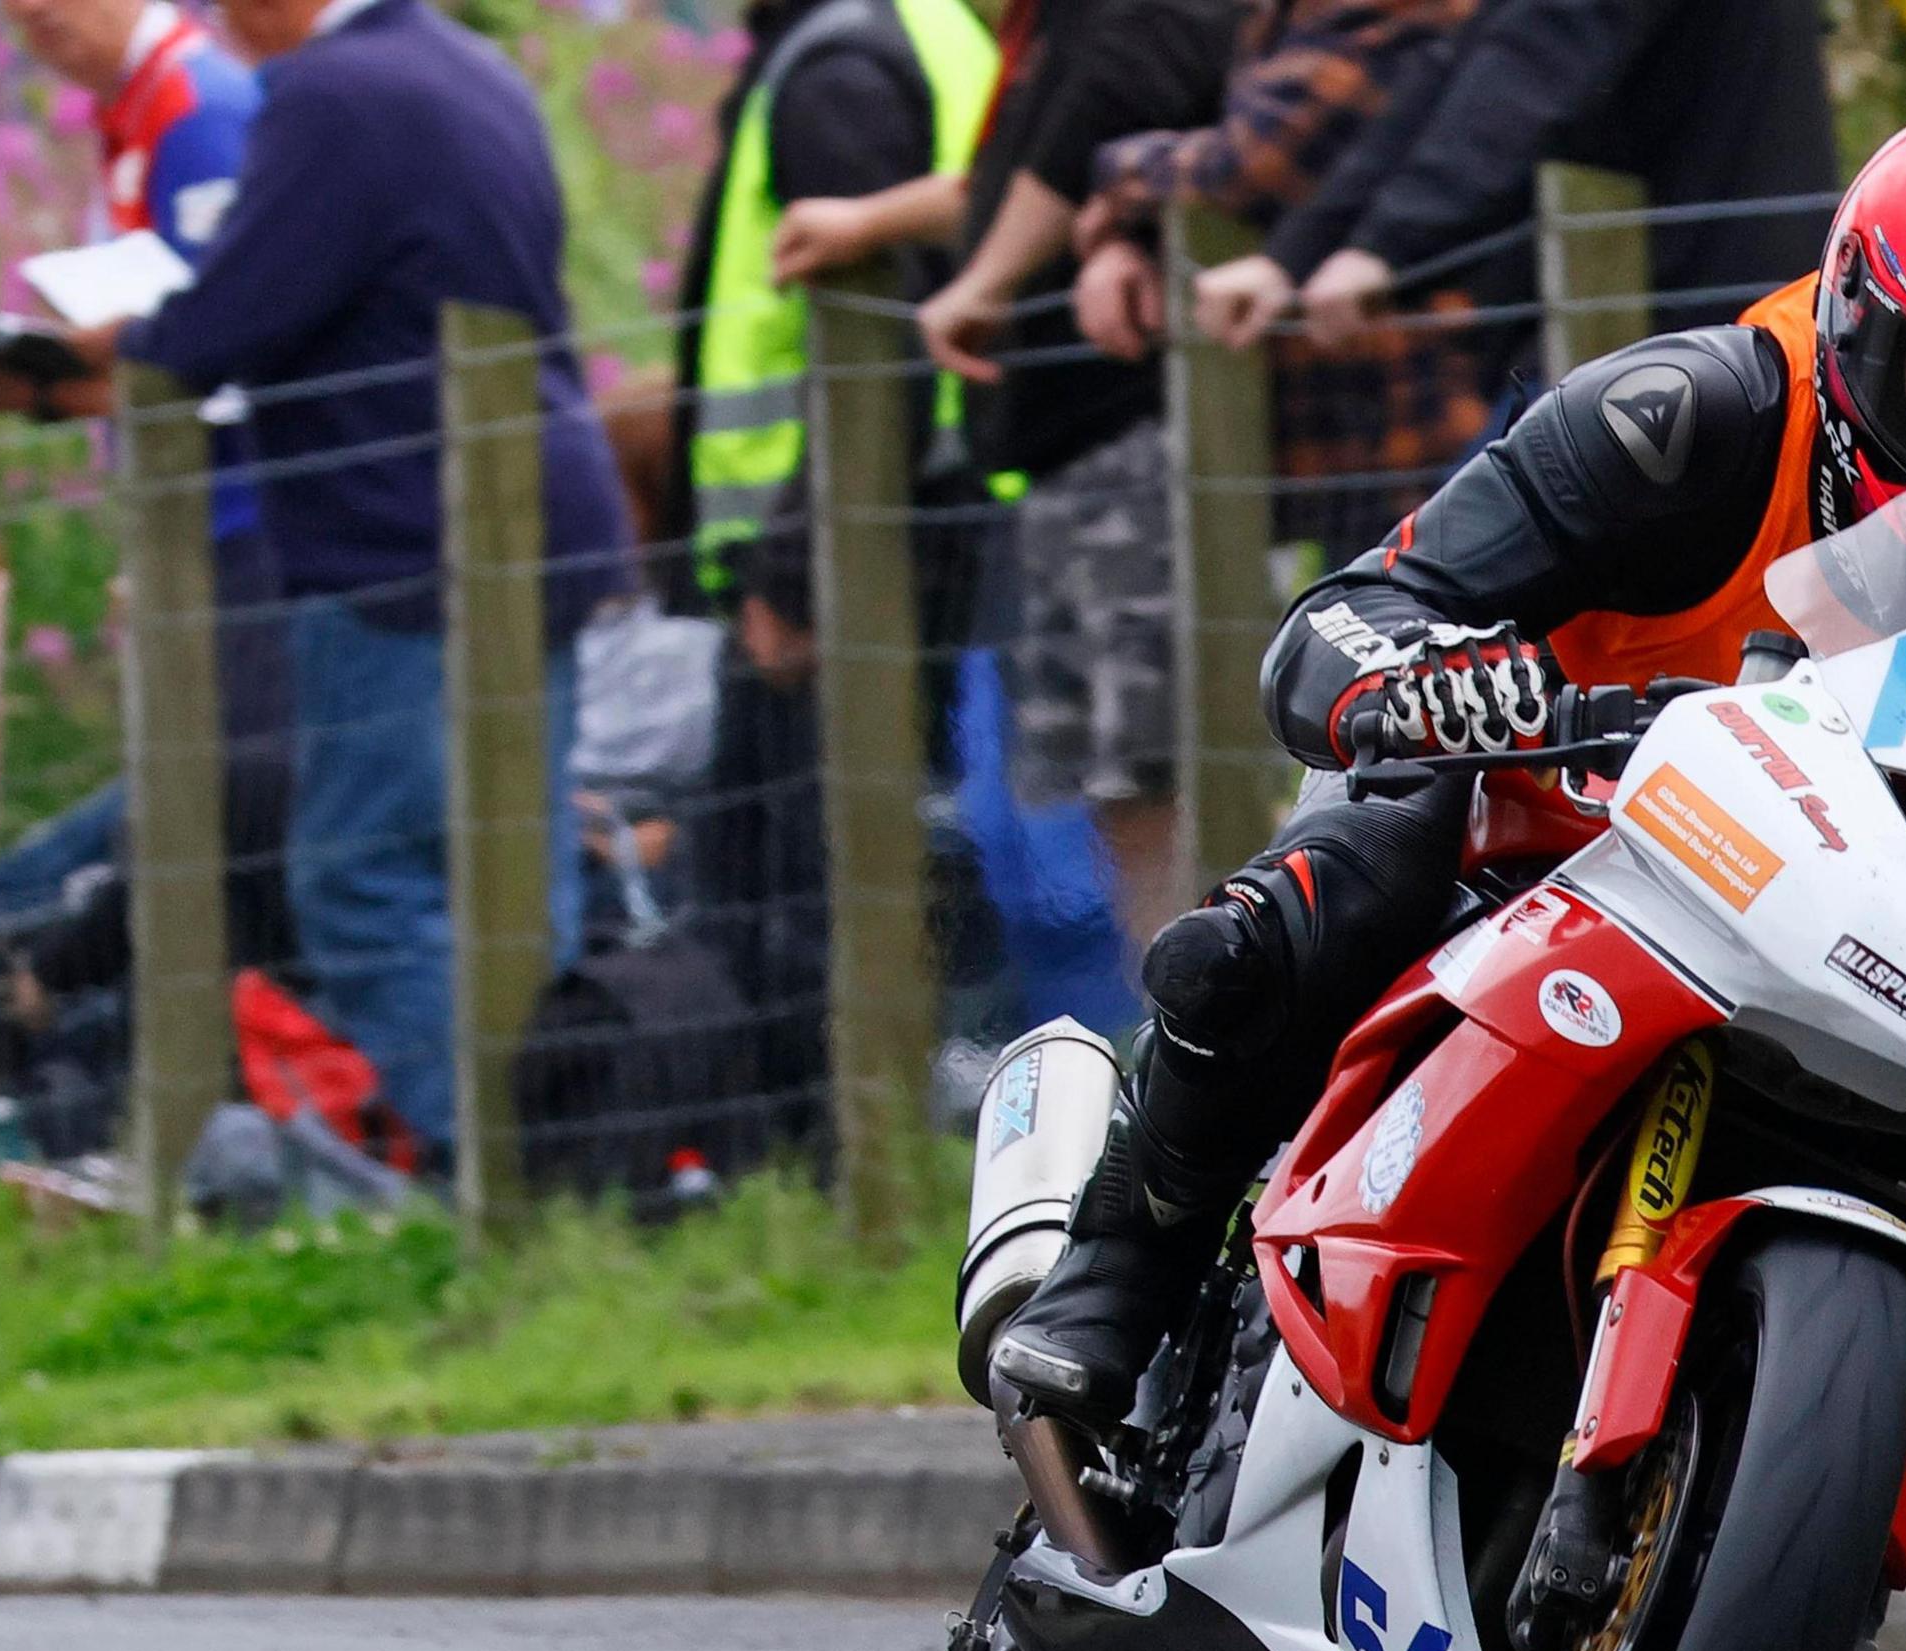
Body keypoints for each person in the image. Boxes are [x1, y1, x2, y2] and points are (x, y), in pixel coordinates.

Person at [988, 109, 1906, 1423]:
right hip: (1545, 822)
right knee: (1310, 907)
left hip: (1891, 929)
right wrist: (1438, 684)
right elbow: (1349, 615)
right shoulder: (1684, 417)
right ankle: (1125, 1258)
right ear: (1864, 336)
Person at [84, 0, 635, 1159]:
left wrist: (105, 355)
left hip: (399, 536)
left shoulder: (328, 96)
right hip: (534, 506)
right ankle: (576, 1153)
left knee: (364, 874)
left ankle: (480, 1163)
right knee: (519, 872)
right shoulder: (470, 66)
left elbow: (228, 316)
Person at [662, 0, 998, 1167]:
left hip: (846, 551)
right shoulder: (928, 30)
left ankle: (828, 1159)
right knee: (857, 846)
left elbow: (876, 348)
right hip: (913, 518)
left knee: (792, 871)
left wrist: (798, 575)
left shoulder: (837, 69)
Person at [0, 0, 295, 977]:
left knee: (233, 804)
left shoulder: (197, 106)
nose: (34, 20)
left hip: (241, 513)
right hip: (193, 510)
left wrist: (47, 382)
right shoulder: (135, 107)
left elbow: (216, 337)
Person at [916, 0, 1248, 954]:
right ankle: (1178, 1039)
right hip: (1071, 446)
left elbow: (1115, 107)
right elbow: (1019, 175)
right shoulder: (1045, 27)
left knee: (1170, 765)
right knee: (1120, 786)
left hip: (1139, 433)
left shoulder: (1120, 20)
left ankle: (1225, 1036)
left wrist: (985, 284)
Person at [1071, 0, 1492, 556]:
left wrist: (1116, 171)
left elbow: (1248, 163)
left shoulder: (1390, 12)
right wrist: (1128, 237)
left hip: (1405, 423)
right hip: (1328, 428)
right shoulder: (1284, 15)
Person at [1288, 0, 1835, 351]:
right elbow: (1466, 66)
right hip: (1678, 320)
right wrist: (1297, 253)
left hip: (1699, 330)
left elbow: (1524, 72)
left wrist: (1381, 247)